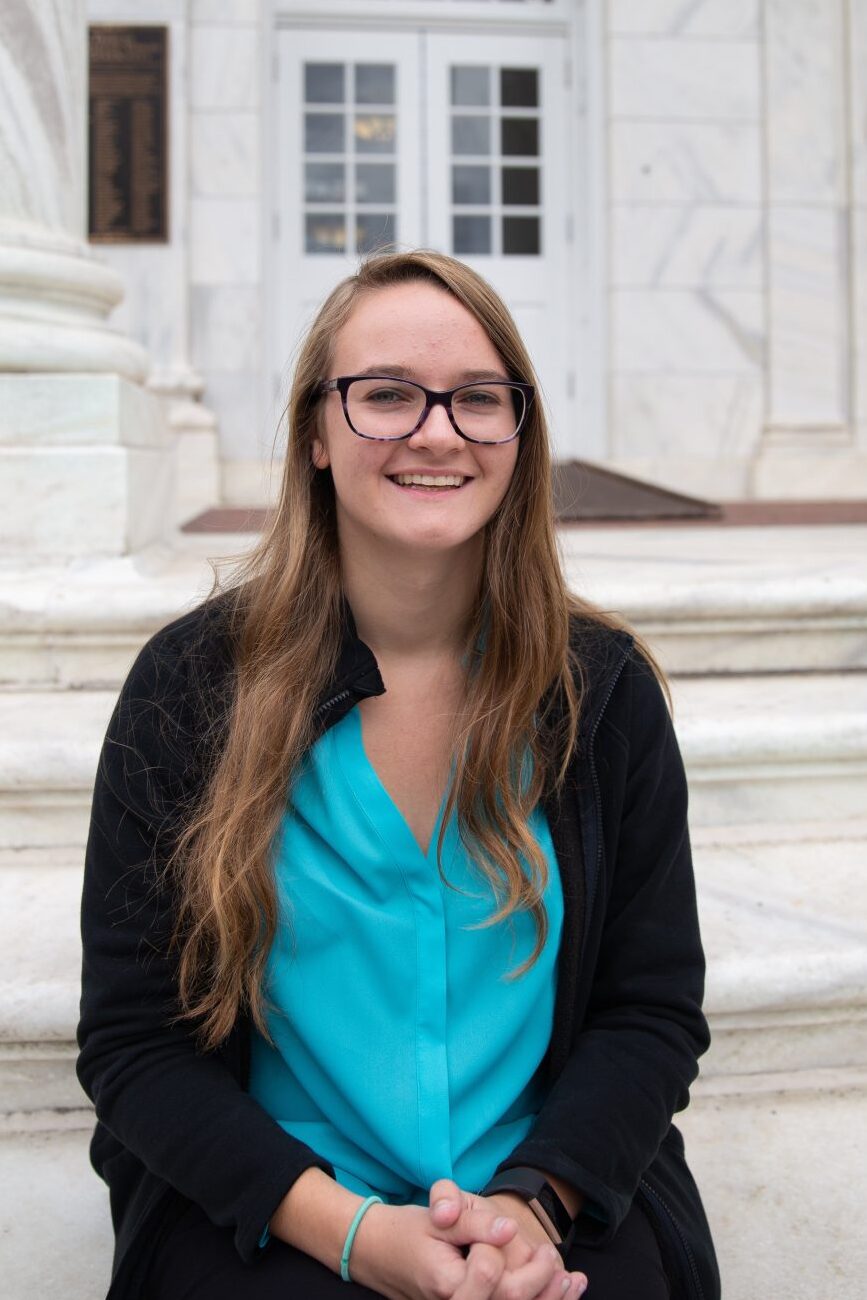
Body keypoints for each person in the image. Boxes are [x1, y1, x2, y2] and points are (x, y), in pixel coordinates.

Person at [77, 250, 719, 1300]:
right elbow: (134, 1042)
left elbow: (649, 1011)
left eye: (478, 399)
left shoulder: (601, 694)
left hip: (550, 1203)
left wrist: (531, 1205)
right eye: (384, 396)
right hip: (281, 1207)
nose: (436, 431)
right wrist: (358, 1235)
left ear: (519, 434)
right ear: (315, 436)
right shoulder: (191, 688)